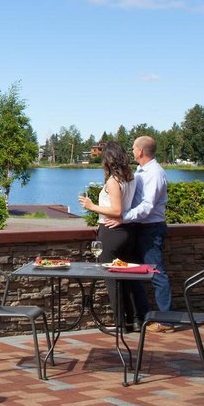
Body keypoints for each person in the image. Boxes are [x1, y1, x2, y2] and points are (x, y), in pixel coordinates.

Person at [106, 135, 173, 333]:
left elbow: (147, 206)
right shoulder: (141, 171)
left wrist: (123, 218)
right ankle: (143, 317)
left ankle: (167, 321)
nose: (132, 151)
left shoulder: (155, 174)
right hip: (139, 228)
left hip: (151, 229)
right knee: (135, 272)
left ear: (141, 151)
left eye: (134, 148)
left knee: (156, 273)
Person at [78, 141, 140, 331]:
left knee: (112, 280)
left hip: (111, 233)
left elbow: (116, 210)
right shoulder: (131, 178)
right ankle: (134, 320)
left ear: (108, 159)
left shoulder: (114, 181)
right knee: (126, 278)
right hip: (127, 232)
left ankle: (120, 324)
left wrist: (91, 206)